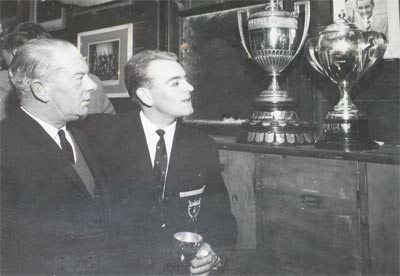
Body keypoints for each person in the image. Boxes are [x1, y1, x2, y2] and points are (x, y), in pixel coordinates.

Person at [84, 50, 238, 275]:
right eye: (176, 83)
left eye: (185, 79)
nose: (189, 87)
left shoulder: (202, 146)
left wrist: (214, 254)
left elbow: (220, 218)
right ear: (146, 96)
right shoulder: (102, 137)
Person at [0, 38, 117, 275]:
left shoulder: (87, 135)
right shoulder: (6, 145)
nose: (92, 86)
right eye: (78, 78)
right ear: (41, 89)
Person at [0, 22, 115, 121]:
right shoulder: (93, 81)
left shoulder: (4, 82)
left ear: (17, 53)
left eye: (11, 65)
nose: (14, 75)